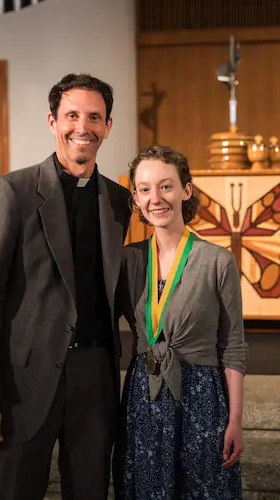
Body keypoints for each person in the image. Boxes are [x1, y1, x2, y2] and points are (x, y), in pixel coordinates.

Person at [0, 73, 131, 500]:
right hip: (23, 382)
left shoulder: (118, 200)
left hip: (95, 379)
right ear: (52, 121)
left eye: (94, 117)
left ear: (108, 126)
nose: (83, 126)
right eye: (72, 115)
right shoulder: (12, 192)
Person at [113, 145, 248, 499]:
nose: (155, 198)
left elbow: (233, 346)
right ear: (136, 198)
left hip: (201, 396)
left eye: (166, 186)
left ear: (186, 190)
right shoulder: (128, 261)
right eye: (144, 189)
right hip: (146, 393)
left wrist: (235, 420)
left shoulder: (218, 261)